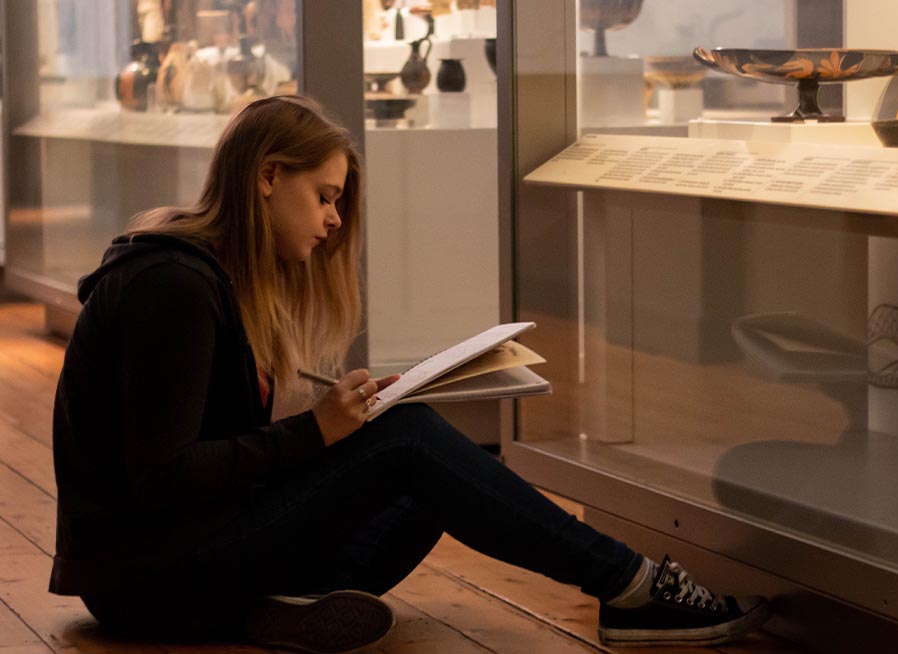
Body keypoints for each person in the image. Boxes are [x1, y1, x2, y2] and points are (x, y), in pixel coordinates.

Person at [48, 94, 770, 652]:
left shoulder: (210, 284)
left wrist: (337, 425)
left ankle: (277, 607)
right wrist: (317, 434)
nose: (334, 220)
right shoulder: (173, 286)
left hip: (183, 556)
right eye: (324, 196)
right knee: (415, 442)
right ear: (268, 177)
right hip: (145, 581)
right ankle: (632, 587)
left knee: (426, 465)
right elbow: (162, 478)